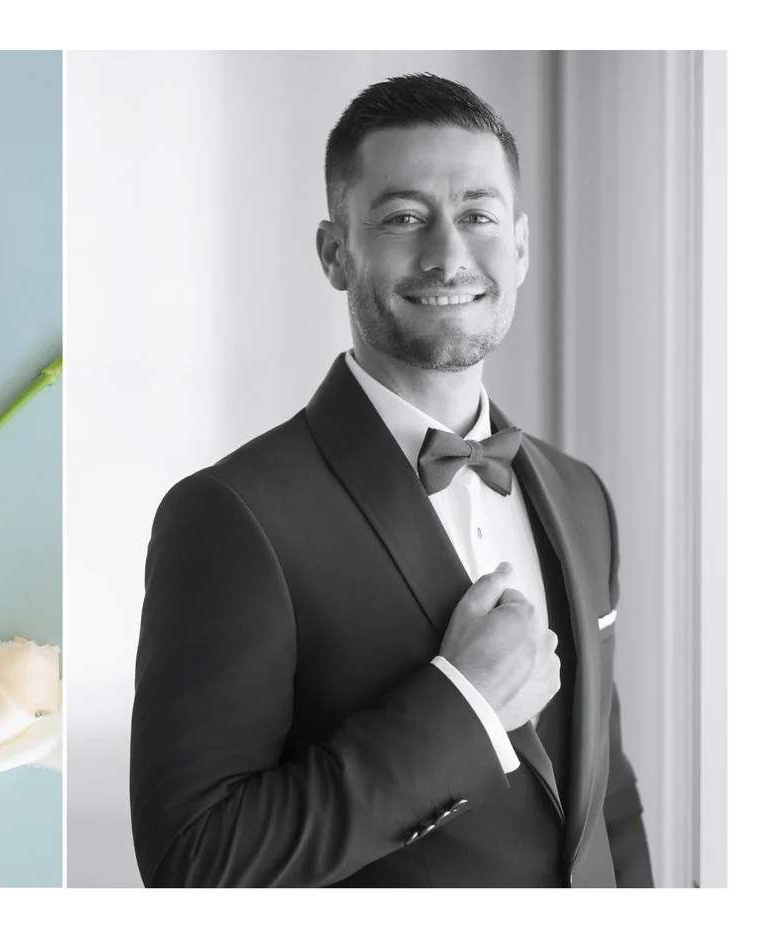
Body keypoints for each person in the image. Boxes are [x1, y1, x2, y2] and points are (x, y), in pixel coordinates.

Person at [128, 73, 650, 887]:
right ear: (336, 253)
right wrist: (462, 709)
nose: (448, 254)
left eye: (476, 215)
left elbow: (608, 799)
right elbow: (196, 863)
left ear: (518, 246)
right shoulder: (231, 514)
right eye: (404, 218)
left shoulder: (583, 495)